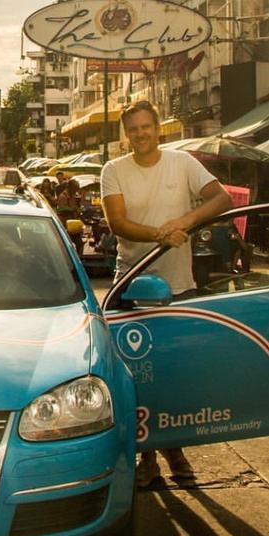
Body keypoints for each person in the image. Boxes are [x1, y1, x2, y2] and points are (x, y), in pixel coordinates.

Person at [100, 100, 233, 488]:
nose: (141, 134)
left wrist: (185, 222)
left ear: (159, 128)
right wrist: (161, 234)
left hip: (180, 287)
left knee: (180, 376)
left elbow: (221, 198)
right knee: (139, 377)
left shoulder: (183, 163)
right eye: (133, 129)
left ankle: (177, 450)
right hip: (133, 289)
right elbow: (118, 222)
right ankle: (147, 457)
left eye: (147, 127)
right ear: (126, 133)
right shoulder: (114, 169)